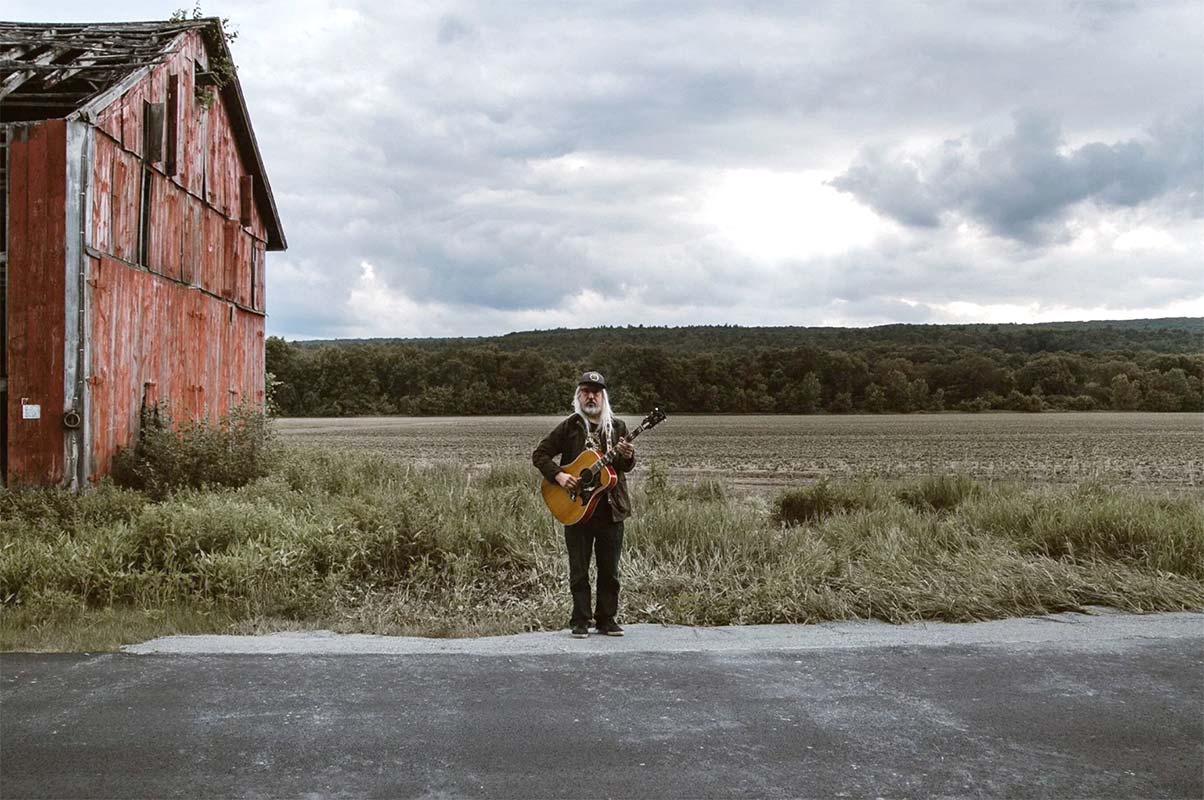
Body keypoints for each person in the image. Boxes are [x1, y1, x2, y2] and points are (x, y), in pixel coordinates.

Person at [533, 371, 637, 639]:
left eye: (596, 392)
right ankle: (580, 620)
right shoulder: (569, 427)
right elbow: (540, 454)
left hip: (610, 509)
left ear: (603, 396)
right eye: (586, 391)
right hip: (576, 508)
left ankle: (607, 619)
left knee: (610, 570)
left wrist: (628, 455)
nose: (591, 396)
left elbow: (624, 467)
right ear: (578, 396)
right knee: (579, 570)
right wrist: (559, 475)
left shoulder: (618, 427)